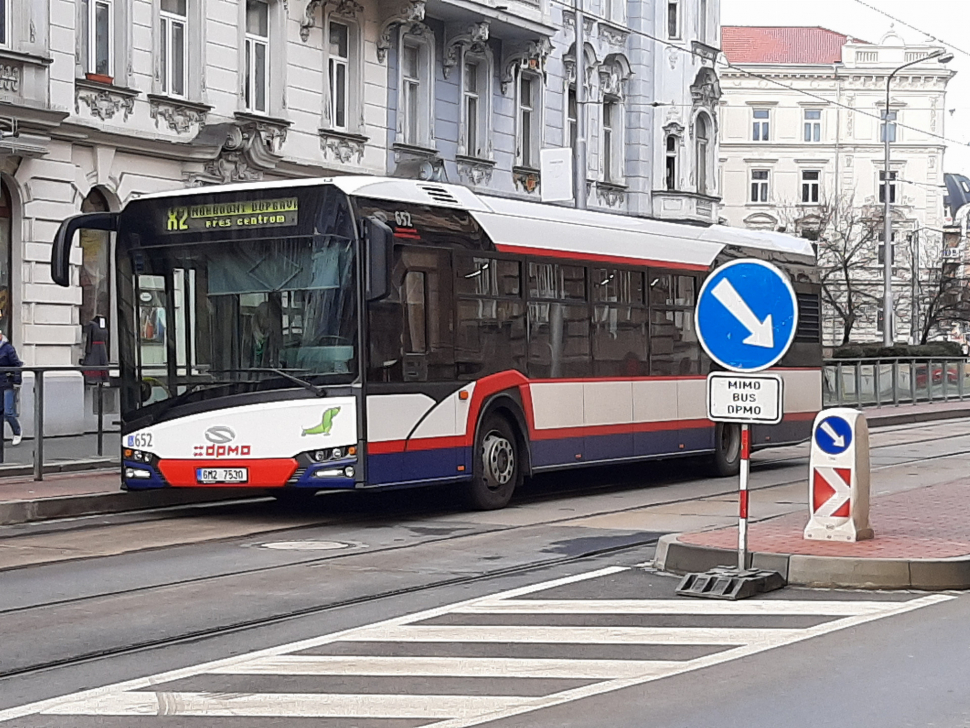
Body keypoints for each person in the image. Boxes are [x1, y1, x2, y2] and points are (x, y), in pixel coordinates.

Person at [0, 329, 23, 446]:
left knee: (8, 412)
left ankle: (17, 432)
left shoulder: (8, 348)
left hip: (7, 382)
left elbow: (17, 365)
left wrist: (17, 382)